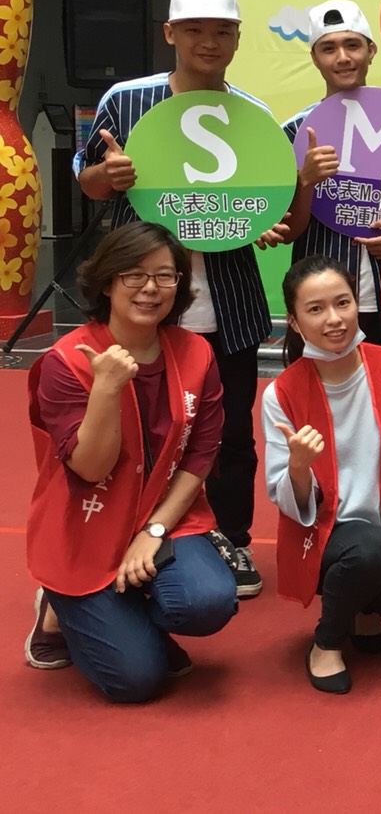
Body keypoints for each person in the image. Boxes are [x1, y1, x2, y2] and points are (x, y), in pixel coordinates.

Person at [73, 0, 275, 598]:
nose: (208, 42)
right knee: (138, 427)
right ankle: (125, 534)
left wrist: (267, 217)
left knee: (231, 434)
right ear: (170, 34)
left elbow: (266, 199)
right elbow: (87, 180)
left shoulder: (252, 114)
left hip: (230, 302)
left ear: (237, 39)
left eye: (222, 32)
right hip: (144, 302)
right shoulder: (125, 100)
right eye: (194, 30)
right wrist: (107, 174)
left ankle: (230, 539)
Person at [23, 222, 238, 701]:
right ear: (106, 282)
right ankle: (58, 610)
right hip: (87, 527)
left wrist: (155, 530)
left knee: (207, 602)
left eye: (165, 276)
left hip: (160, 518)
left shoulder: (196, 352)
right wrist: (105, 388)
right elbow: (90, 469)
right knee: (136, 681)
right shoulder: (65, 361)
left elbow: (201, 454)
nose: (150, 288)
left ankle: (126, 618)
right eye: (134, 275)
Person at [262, 257, 381, 694]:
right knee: (368, 549)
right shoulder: (281, 393)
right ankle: (326, 643)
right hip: (326, 537)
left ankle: (362, 605)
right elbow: (286, 502)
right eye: (316, 309)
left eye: (342, 303)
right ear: (294, 321)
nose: (334, 319)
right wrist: (298, 466)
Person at [279, 0, 381, 347]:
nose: (342, 57)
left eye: (352, 45)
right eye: (328, 48)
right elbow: (288, 231)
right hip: (319, 299)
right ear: (315, 58)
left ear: (371, 51)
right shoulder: (293, 132)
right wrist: (305, 180)